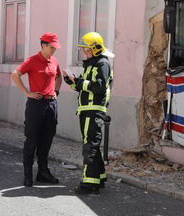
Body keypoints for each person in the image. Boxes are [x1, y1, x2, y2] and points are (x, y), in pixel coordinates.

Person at [63, 32, 113, 195]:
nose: (85, 52)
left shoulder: (102, 63)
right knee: (93, 146)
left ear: (96, 48)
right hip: (87, 110)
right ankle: (98, 179)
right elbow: (85, 87)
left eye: (87, 49)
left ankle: (87, 185)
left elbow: (98, 87)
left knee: (89, 147)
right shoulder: (92, 64)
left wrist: (78, 81)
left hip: (94, 110)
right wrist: (71, 82)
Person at [11, 33, 62, 187]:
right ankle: (28, 175)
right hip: (36, 105)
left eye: (55, 47)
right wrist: (27, 92)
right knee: (32, 139)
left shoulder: (54, 61)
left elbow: (58, 77)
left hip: (51, 104)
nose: (54, 50)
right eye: (52, 47)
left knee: (47, 139)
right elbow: (15, 75)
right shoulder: (32, 60)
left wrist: (56, 91)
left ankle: (43, 172)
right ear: (43, 45)